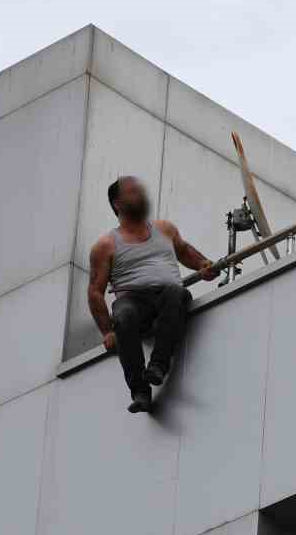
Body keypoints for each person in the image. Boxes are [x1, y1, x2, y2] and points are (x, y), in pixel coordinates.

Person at [87, 175, 218, 412]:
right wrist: (107, 331)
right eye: (132, 191)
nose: (140, 194)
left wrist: (203, 265)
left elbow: (184, 251)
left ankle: (157, 366)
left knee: (176, 293)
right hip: (133, 302)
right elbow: (95, 291)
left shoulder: (164, 229)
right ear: (118, 204)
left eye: (140, 190)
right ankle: (139, 391)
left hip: (167, 299)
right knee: (123, 314)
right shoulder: (105, 245)